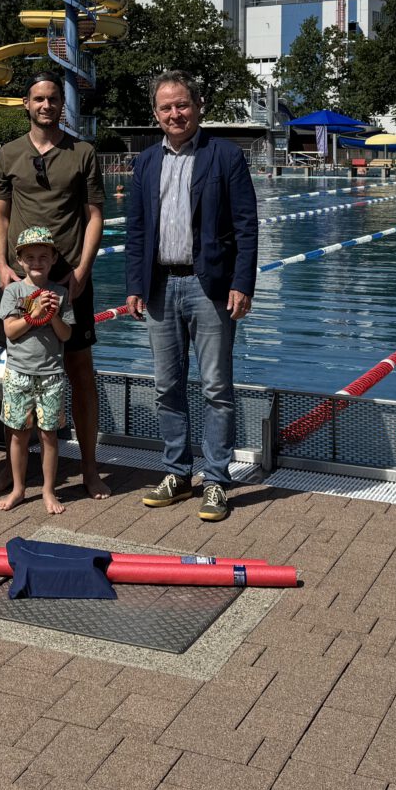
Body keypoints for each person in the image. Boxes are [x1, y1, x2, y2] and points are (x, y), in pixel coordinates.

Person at [124, 71, 258, 523]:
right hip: (160, 285)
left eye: (181, 105)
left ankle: (217, 479)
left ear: (197, 106)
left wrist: (243, 282)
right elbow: (138, 230)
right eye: (166, 108)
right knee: (167, 386)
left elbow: (246, 225)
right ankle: (177, 473)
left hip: (211, 286)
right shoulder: (145, 162)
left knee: (217, 387)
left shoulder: (225, 156)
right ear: (156, 114)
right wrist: (133, 286)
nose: (174, 114)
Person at [0, 73, 108, 498]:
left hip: (68, 280)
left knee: (79, 373)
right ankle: (13, 470)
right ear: (26, 104)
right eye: (38, 98)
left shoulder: (82, 152)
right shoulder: (8, 153)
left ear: (62, 105)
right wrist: (3, 266)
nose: (46, 105)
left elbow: (95, 216)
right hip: (22, 283)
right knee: (19, 373)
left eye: (53, 98)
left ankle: (91, 468)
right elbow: (0, 218)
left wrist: (82, 271)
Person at [0, 227, 74, 515]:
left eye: (43, 256)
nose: (37, 262)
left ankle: (49, 489)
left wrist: (52, 317)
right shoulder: (14, 291)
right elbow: (10, 331)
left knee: (49, 434)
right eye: (30, 257)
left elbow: (66, 335)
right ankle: (18, 487)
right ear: (20, 261)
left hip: (51, 374)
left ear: (53, 258)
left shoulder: (60, 293)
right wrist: (34, 315)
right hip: (18, 372)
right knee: (17, 433)